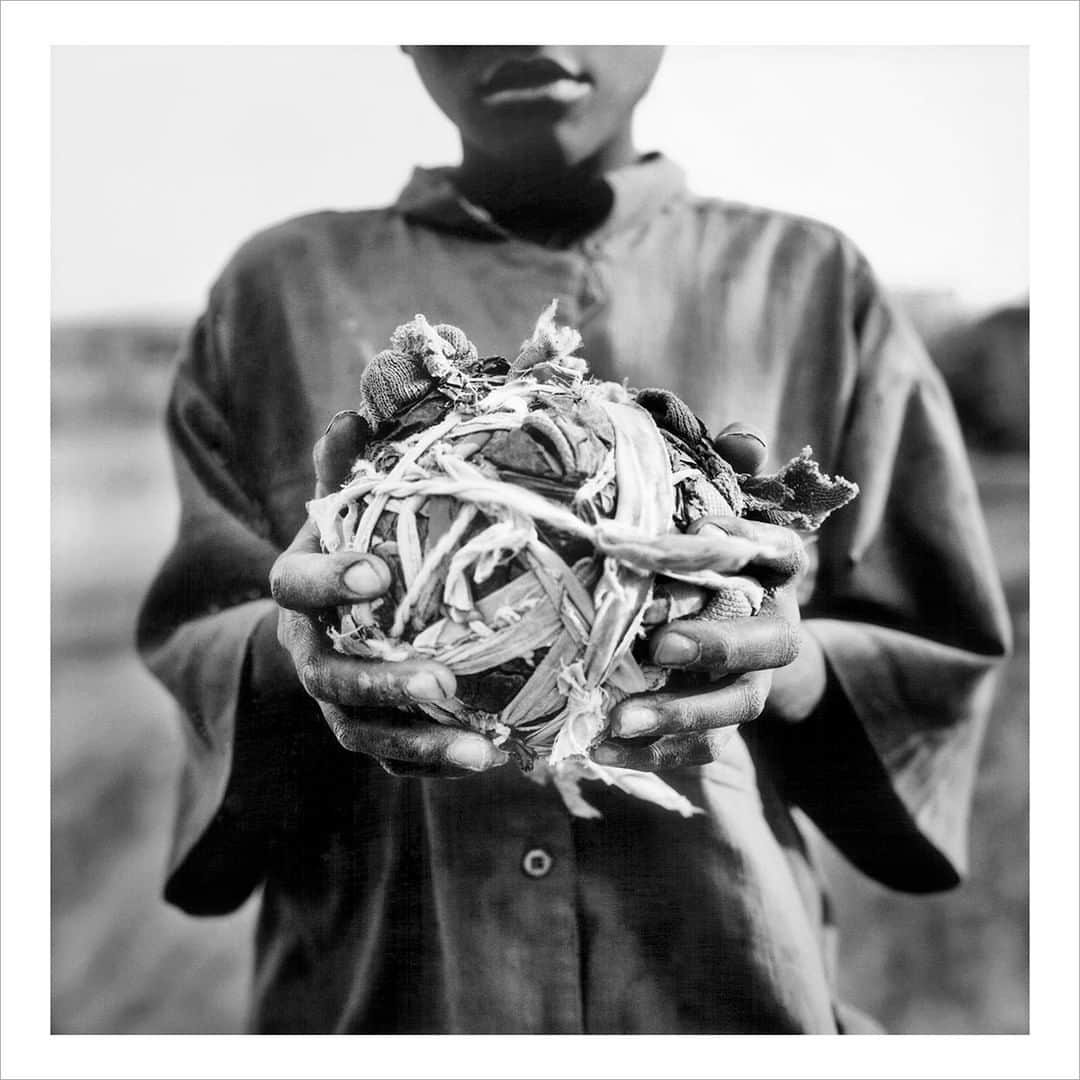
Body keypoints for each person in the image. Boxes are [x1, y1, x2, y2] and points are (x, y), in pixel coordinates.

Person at [137, 46, 1011, 1034]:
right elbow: (196, 638)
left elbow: (938, 658)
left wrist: (795, 662)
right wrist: (289, 651)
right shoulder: (275, 290)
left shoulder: (813, 281)